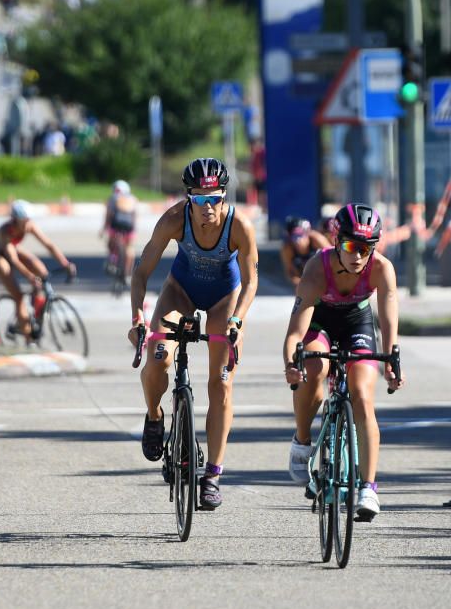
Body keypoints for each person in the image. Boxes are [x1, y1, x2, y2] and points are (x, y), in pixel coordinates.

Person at [128, 158, 259, 510]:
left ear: (223, 197)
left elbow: (250, 281)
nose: (207, 208)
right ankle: (155, 417)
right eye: (199, 200)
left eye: (214, 199)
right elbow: (141, 272)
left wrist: (238, 320)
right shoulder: (174, 219)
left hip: (223, 302)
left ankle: (213, 474)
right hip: (180, 293)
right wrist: (137, 317)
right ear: (188, 199)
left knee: (221, 382)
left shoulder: (239, 226)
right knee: (159, 357)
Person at [283, 203, 405, 522]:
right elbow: (296, 328)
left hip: (356, 322)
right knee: (315, 369)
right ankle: (302, 439)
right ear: (337, 242)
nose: (358, 256)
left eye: (365, 248)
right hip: (319, 321)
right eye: (351, 246)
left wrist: (391, 359)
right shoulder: (316, 267)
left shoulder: (381, 268)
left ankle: (368, 486)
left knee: (363, 396)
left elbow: (389, 320)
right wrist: (291, 362)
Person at [0, 200, 77, 342]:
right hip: (0, 256)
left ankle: (36, 307)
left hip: (15, 250)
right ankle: (27, 335)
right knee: (18, 295)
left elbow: (49, 245)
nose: (26, 222)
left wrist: (65, 263)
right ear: (15, 219)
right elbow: (14, 260)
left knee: (42, 271)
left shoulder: (29, 226)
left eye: (28, 219)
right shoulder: (5, 231)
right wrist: (30, 276)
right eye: (23, 220)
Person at [103, 179, 138, 279]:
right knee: (129, 248)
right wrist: (134, 229)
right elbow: (135, 216)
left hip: (116, 227)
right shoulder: (133, 199)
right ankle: (128, 273)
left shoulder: (112, 198)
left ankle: (112, 260)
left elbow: (109, 215)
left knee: (111, 243)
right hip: (129, 227)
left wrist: (104, 228)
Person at [280, 216, 327, 288]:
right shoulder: (288, 248)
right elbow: (290, 272)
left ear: (308, 233)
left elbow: (334, 257)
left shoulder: (316, 239)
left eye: (301, 235)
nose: (299, 241)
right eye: (294, 236)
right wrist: (300, 282)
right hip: (305, 278)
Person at [250, 138, 267, 207]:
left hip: (263, 178)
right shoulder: (255, 154)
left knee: (263, 195)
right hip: (258, 178)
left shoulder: (262, 153)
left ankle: (264, 209)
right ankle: (262, 209)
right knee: (259, 195)